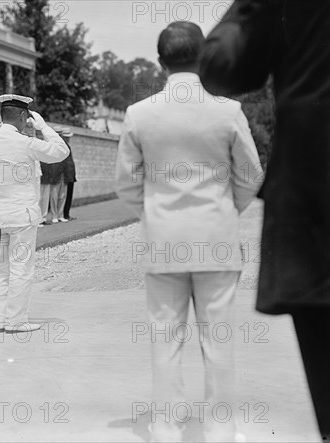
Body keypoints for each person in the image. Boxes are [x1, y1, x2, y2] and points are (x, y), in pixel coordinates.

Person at [115, 22, 261, 442]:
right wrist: (227, 208)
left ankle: (165, 428)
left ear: (161, 62)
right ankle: (220, 430)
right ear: (202, 58)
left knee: (164, 339)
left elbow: (126, 182)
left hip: (164, 241)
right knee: (218, 342)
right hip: (216, 239)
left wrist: (152, 212)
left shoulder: (138, 114)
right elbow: (250, 175)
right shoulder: (227, 111)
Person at [199, 2, 330, 440]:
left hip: (317, 196)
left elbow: (226, 64)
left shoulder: (141, 116)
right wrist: (238, 201)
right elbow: (247, 170)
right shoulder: (230, 120)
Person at [0, 94, 69, 334]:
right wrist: (44, 127)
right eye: (26, 116)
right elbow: (61, 152)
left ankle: (0, 319)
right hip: (21, 218)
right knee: (21, 269)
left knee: (0, 269)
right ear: (22, 116)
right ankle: (15, 321)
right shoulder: (26, 143)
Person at [60, 128, 77, 221]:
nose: (68, 139)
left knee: (68, 196)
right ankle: (64, 214)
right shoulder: (63, 147)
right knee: (64, 196)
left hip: (70, 175)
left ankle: (66, 214)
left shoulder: (67, 146)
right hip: (66, 176)